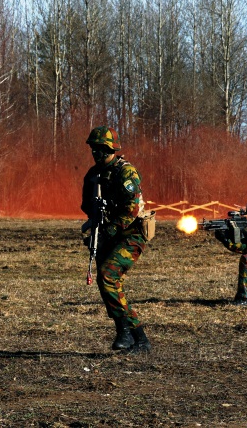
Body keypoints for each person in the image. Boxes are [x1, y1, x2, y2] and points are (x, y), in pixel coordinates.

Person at [81, 126, 151, 354]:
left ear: (111, 148)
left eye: (100, 149)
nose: (96, 153)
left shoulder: (125, 172)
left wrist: (111, 225)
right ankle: (131, 334)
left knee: (108, 276)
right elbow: (87, 205)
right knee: (107, 284)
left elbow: (132, 207)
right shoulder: (93, 175)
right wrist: (94, 224)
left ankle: (131, 333)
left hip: (131, 234)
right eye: (93, 149)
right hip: (106, 233)